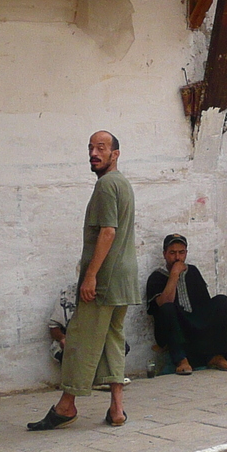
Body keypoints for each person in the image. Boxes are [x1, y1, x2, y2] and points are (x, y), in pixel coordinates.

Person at [29, 130, 139, 430]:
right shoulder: (123, 184)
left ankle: (66, 406)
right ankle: (117, 409)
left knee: (79, 339)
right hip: (124, 279)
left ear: (115, 154)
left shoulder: (106, 185)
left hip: (105, 280)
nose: (94, 152)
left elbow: (108, 232)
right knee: (113, 339)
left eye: (101, 148)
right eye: (91, 147)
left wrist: (89, 277)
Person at [145, 234, 227, 374]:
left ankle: (218, 356)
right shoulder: (156, 277)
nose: (177, 257)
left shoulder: (192, 271)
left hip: (195, 324)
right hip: (172, 327)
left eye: (181, 253)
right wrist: (174, 275)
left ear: (186, 253)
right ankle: (181, 360)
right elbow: (164, 303)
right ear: (164, 254)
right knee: (168, 308)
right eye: (172, 253)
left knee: (222, 301)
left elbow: (205, 303)